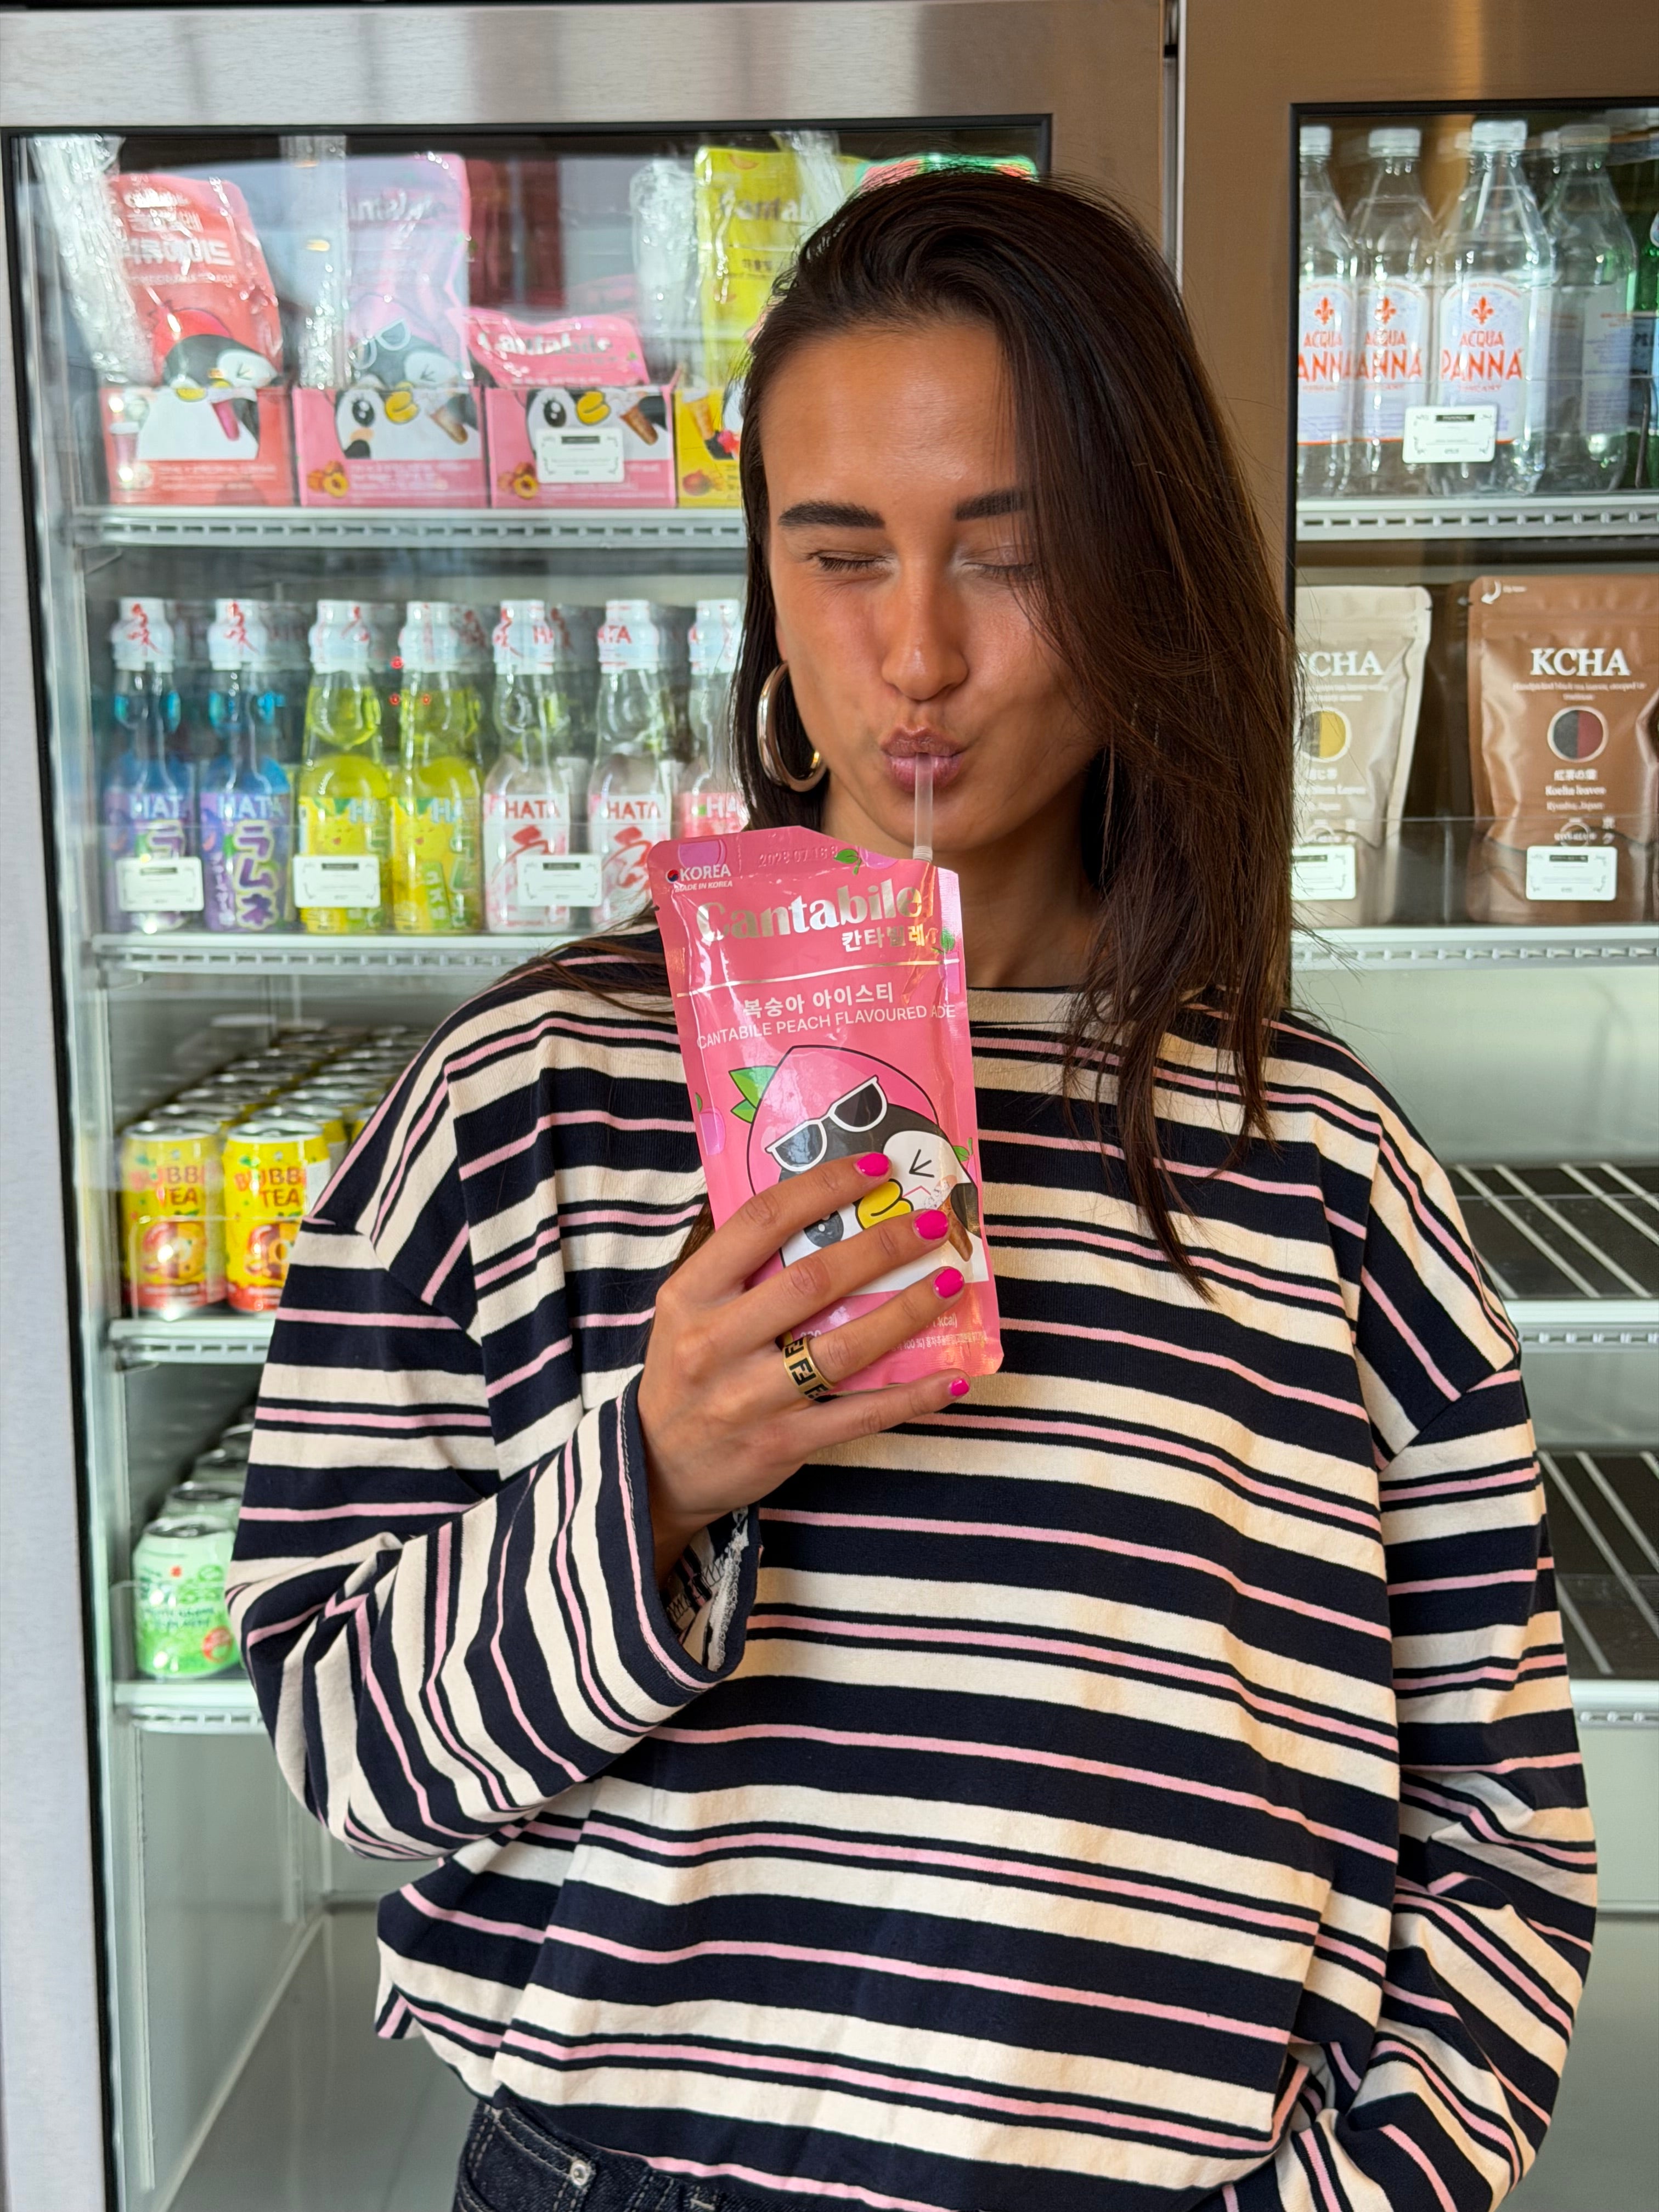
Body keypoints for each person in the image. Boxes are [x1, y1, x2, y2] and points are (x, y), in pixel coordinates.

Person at [230, 172, 1594, 2212]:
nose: (919, 653)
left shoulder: (1319, 1163)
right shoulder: (523, 1107)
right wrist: (654, 1478)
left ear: (1143, 574)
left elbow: (1501, 1836)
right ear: (768, 586)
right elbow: (340, 1743)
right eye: (841, 552)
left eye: (1012, 554)